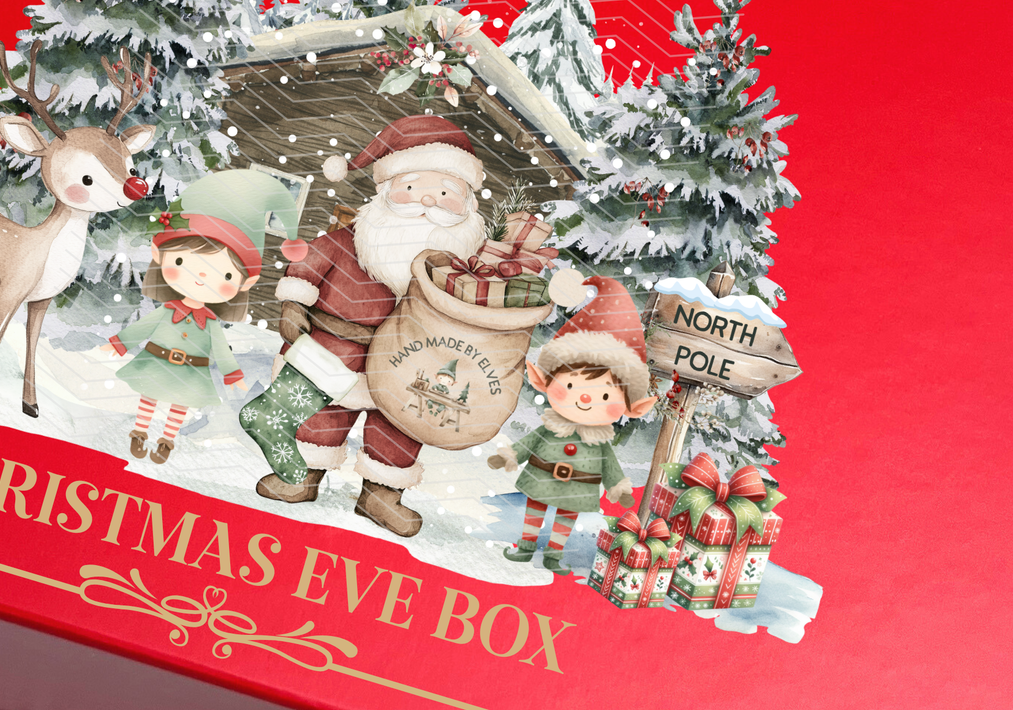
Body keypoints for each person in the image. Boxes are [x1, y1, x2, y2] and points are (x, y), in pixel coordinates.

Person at [238, 114, 489, 537]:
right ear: (387, 190)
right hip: (336, 349)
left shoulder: (464, 265)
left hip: (411, 365)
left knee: (400, 428)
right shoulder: (351, 240)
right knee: (320, 415)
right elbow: (310, 263)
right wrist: (295, 305)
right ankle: (301, 475)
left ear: (467, 204)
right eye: (413, 188)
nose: (428, 201)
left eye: (447, 192)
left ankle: (381, 495)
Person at [107, 170, 306, 464]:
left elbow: (220, 349)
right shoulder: (168, 310)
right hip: (158, 361)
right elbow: (144, 327)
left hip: (192, 370)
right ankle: (140, 432)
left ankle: (166, 440)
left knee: (180, 403)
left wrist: (232, 373)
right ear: (159, 254)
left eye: (224, 274)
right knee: (150, 394)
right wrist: (120, 342)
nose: (200, 276)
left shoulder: (210, 322)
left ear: (245, 283)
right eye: (182, 261)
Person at [487, 276, 657, 570]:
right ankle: (525, 547)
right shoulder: (552, 426)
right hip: (542, 478)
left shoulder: (598, 441)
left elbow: (609, 465)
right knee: (535, 508)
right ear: (546, 380)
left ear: (630, 406)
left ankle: (554, 555)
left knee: (566, 518)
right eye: (570, 385)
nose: (586, 399)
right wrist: (510, 456)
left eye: (605, 395)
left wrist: (618, 488)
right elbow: (530, 442)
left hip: (579, 487)